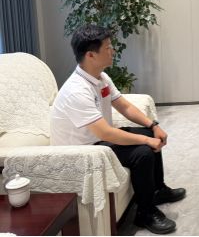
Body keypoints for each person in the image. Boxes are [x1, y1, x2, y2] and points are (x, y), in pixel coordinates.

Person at [50, 24, 185, 234]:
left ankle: (157, 190)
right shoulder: (77, 90)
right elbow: (105, 133)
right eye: (107, 48)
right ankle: (145, 213)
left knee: (149, 134)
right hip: (82, 152)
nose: (113, 51)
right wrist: (146, 141)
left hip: (96, 140)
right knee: (143, 152)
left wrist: (153, 125)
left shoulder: (101, 77)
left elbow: (124, 106)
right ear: (90, 55)